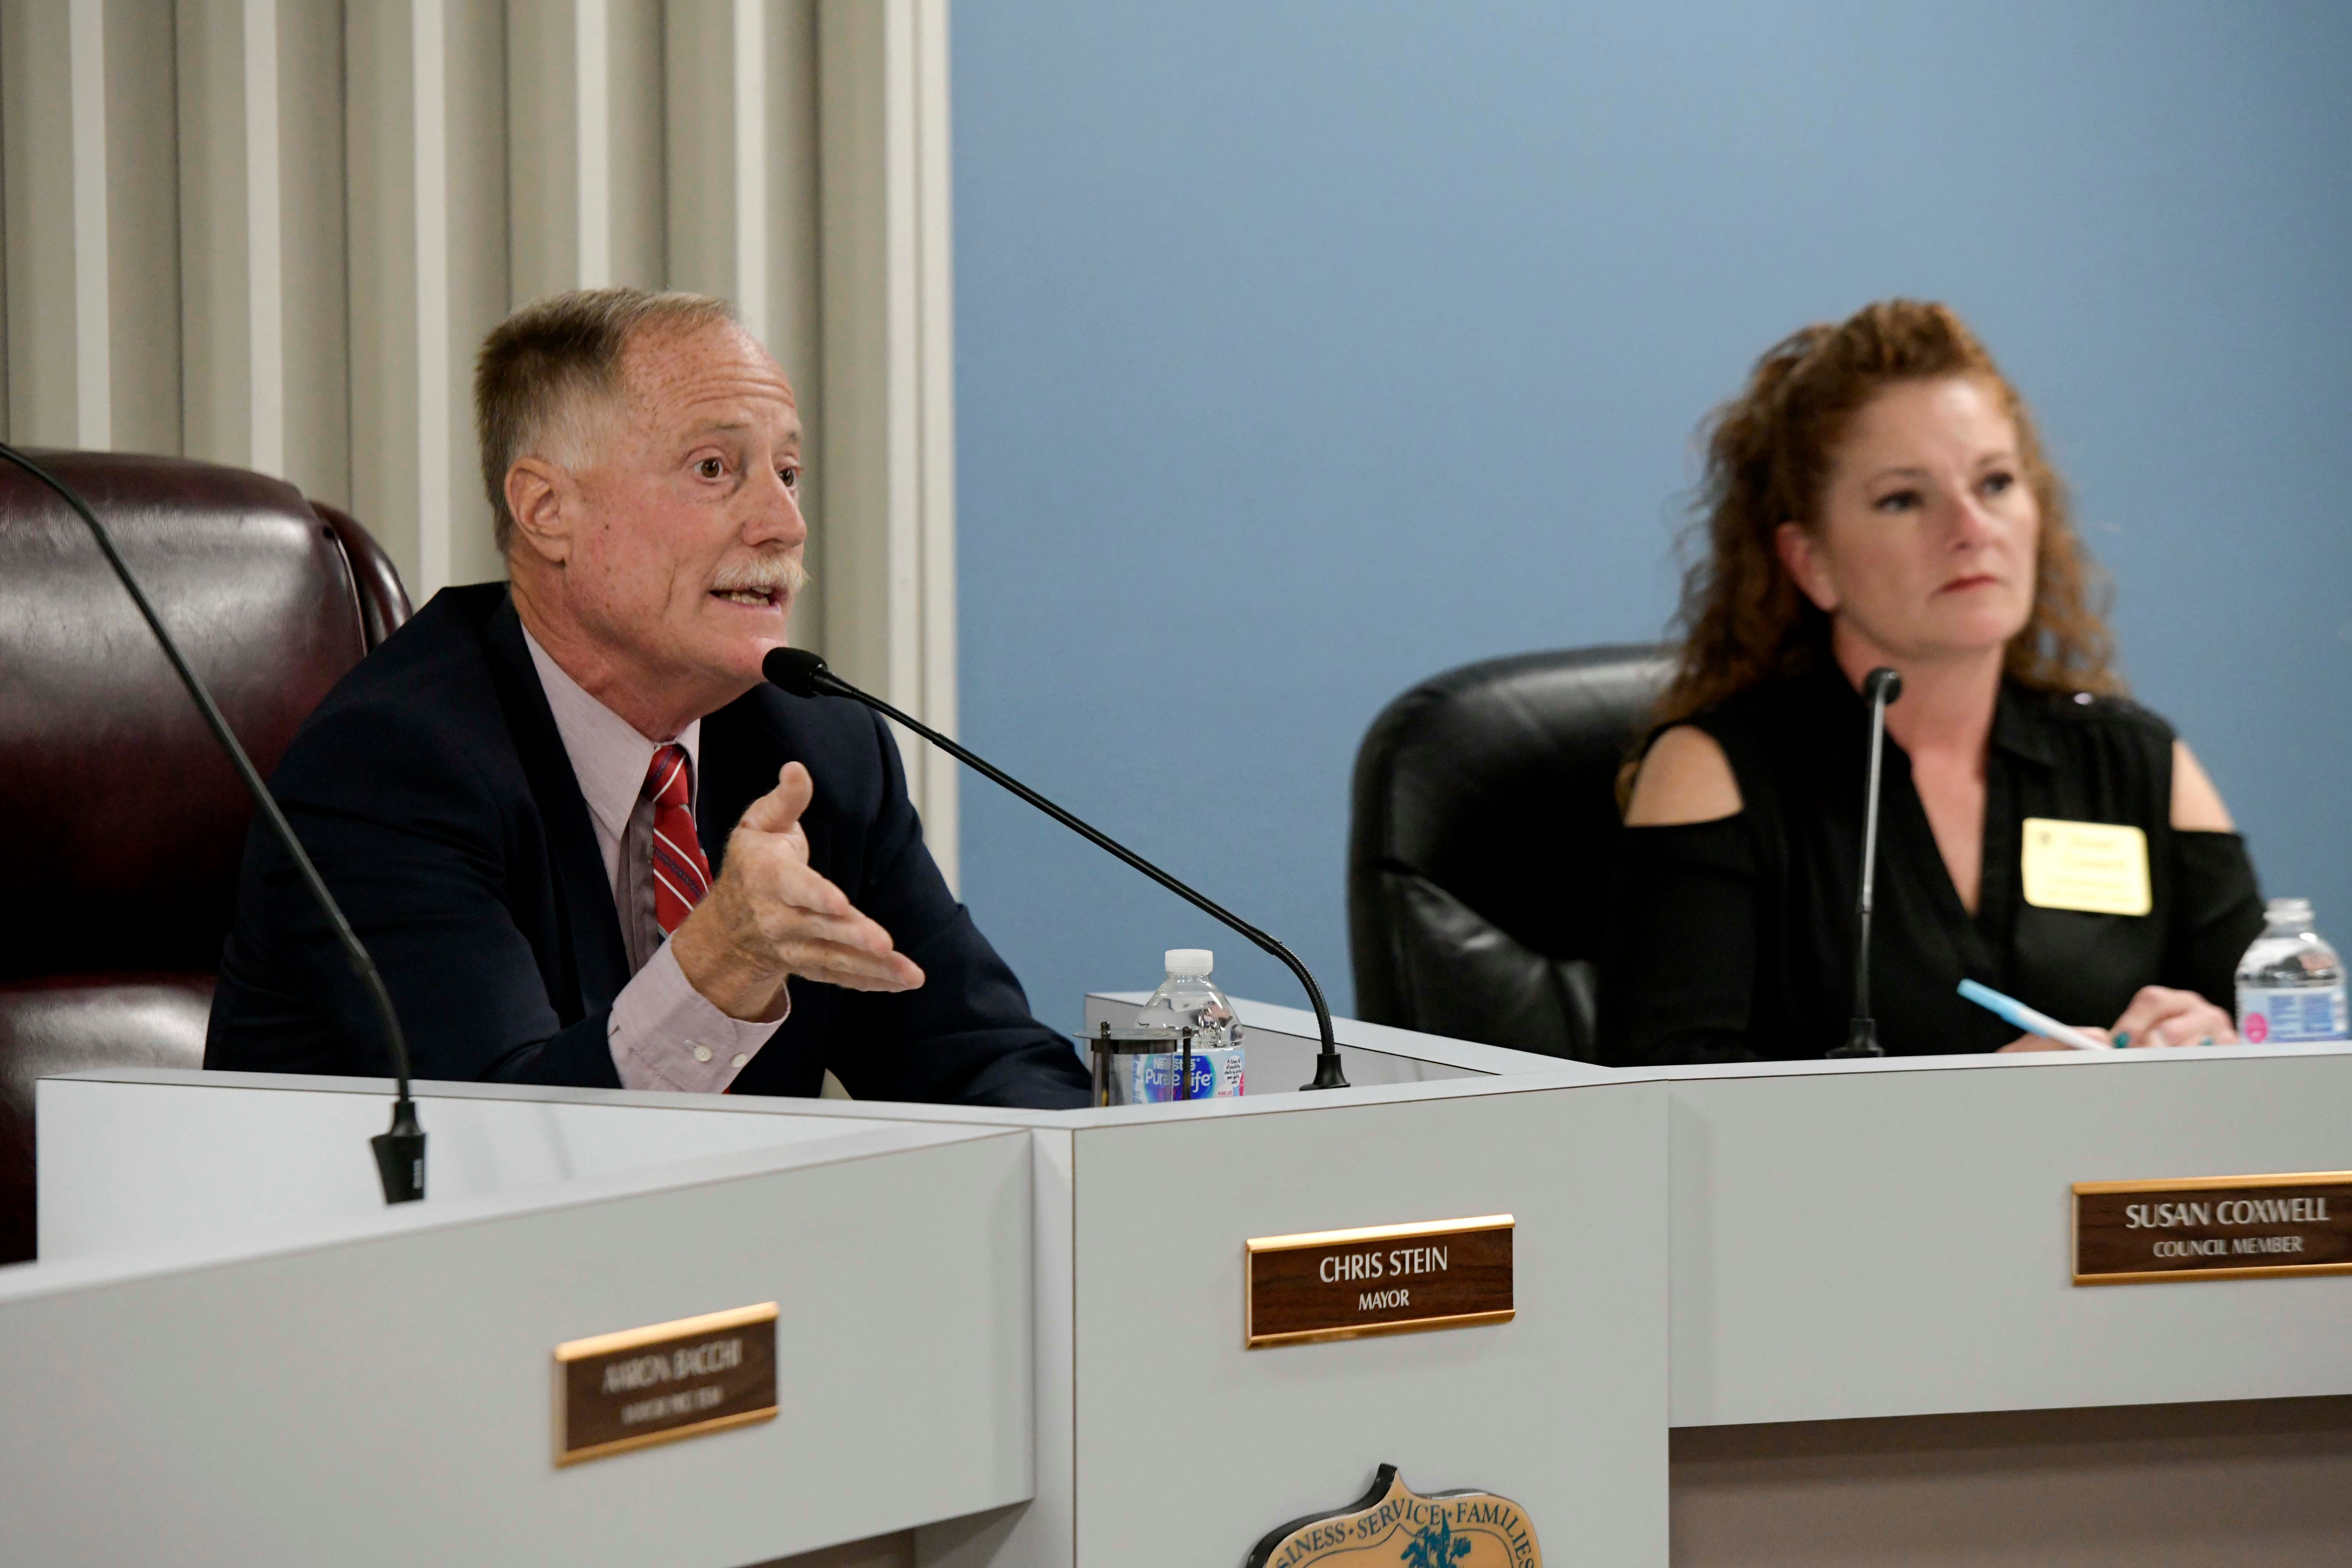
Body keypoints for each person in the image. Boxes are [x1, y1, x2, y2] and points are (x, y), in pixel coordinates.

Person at [207, 288, 1089, 1107]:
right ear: (548, 510)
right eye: (715, 468)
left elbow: (985, 1062)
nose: (785, 525)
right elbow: (505, 1141)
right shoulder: (390, 767)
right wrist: (720, 964)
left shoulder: (820, 751)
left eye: (788, 473)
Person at [1598, 300, 2264, 1067]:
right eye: (1904, 499)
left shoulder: (2136, 763)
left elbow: (2285, 1051)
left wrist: (2213, 1039)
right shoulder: (1717, 774)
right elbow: (1662, 1112)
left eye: (1996, 483)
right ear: (1809, 561)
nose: (1970, 529)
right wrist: (1973, 1108)